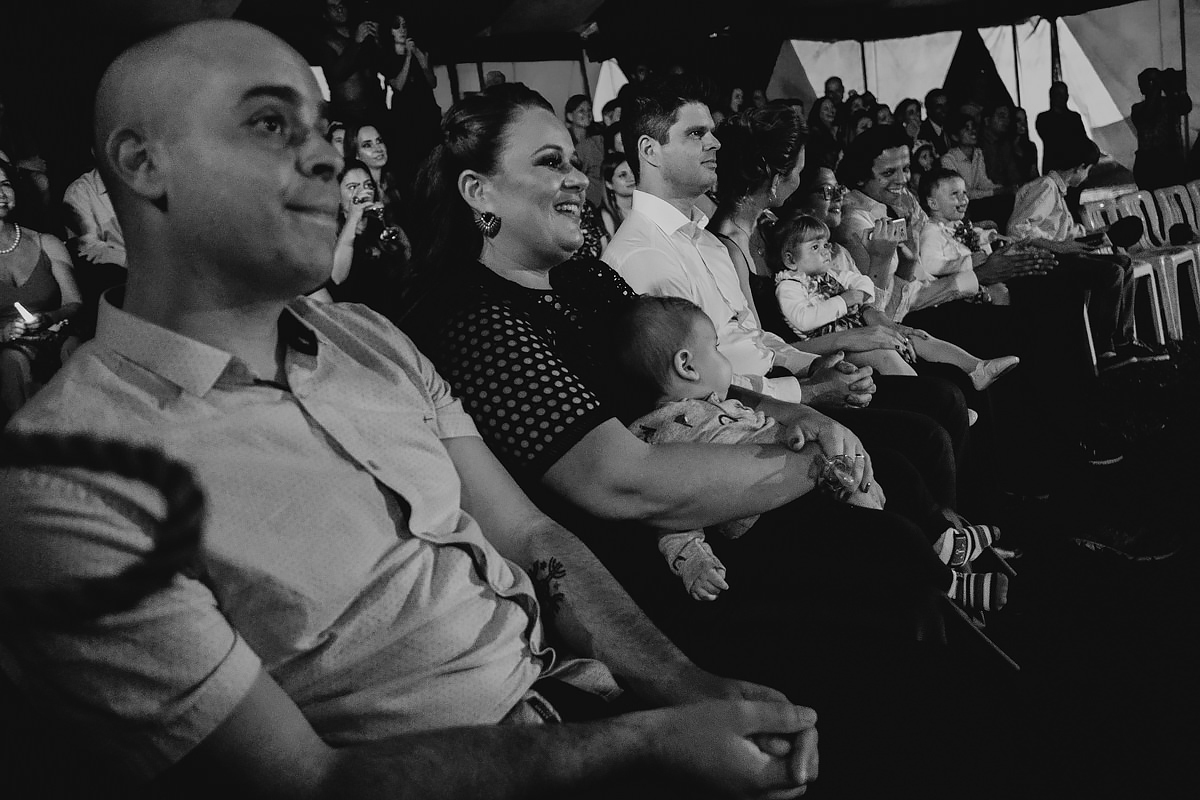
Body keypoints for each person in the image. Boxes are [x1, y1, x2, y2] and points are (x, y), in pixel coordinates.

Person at [0, 21, 824, 799]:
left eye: (322, 128)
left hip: (578, 689)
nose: (325, 156)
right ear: (142, 162)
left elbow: (530, 536)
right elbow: (307, 783)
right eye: (269, 123)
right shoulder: (70, 482)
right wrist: (649, 741)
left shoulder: (367, 338)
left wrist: (685, 686)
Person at [401, 79, 1012, 796]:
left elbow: (690, 372)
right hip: (663, 561)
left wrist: (798, 416)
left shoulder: (584, 278)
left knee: (896, 530)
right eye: (549, 162)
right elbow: (619, 483)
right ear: (479, 192)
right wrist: (812, 463)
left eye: (572, 160)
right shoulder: (476, 320)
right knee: (884, 565)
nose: (577, 178)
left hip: (714, 488)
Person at [612, 293, 1012, 611]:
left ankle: (944, 540)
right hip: (775, 515)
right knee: (888, 533)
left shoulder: (717, 401)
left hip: (807, 480)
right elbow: (672, 509)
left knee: (894, 465)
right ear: (687, 366)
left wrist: (795, 428)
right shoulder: (660, 435)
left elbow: (760, 427)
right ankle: (951, 585)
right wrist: (696, 563)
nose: (723, 357)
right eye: (716, 348)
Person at [767, 211, 1019, 389]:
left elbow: (861, 283)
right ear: (790, 259)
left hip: (857, 328)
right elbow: (803, 319)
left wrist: (860, 292)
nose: (825, 251)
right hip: (831, 346)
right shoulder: (789, 286)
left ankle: (977, 368)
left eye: (825, 245)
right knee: (883, 354)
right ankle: (932, 401)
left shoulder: (831, 274)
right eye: (815, 247)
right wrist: (845, 300)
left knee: (917, 337)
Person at [1007, 143, 1167, 369]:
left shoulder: (1056, 191)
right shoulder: (1045, 187)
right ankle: (1104, 347)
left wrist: (1101, 233)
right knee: (1112, 273)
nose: (1087, 175)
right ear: (1079, 167)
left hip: (1060, 256)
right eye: (1089, 169)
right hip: (1042, 261)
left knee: (1124, 263)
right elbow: (1017, 228)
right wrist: (1059, 247)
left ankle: (1124, 340)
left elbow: (1067, 233)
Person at [0, 159, 82, 425]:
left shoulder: (46, 242)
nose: (1, 194)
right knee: (12, 361)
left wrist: (49, 317)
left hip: (53, 334)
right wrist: (3, 332)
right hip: (7, 347)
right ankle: (23, 441)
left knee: (76, 350)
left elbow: (75, 303)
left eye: (5, 184)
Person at [325, 159, 409, 318]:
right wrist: (353, 217)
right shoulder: (330, 237)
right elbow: (336, 278)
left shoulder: (386, 229)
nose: (363, 191)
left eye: (368, 185)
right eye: (352, 187)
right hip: (359, 323)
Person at [381, 12, 442, 186]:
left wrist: (423, 63)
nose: (402, 30)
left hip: (426, 111)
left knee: (432, 157)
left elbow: (432, 83)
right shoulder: (387, 56)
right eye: (397, 26)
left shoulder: (419, 51)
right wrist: (407, 57)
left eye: (404, 25)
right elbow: (398, 85)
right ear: (390, 31)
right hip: (405, 117)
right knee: (411, 162)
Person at [315, 0, 387, 122]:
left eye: (341, 5)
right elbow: (337, 73)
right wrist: (356, 43)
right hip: (348, 115)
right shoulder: (326, 42)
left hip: (375, 110)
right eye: (333, 7)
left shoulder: (362, 34)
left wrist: (378, 41)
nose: (339, 9)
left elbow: (383, 68)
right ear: (325, 15)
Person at [939, 111, 1013, 226]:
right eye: (966, 128)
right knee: (998, 205)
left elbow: (983, 182)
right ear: (955, 136)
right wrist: (994, 192)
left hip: (977, 201)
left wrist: (1003, 189)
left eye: (973, 127)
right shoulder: (948, 159)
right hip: (961, 205)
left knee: (1008, 199)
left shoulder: (978, 153)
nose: (972, 131)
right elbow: (963, 193)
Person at [1131, 67, 1193, 191]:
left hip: (1172, 161)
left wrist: (1176, 87)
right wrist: (1159, 85)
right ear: (1142, 88)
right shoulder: (1138, 109)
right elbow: (1149, 114)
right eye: (1151, 82)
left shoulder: (1170, 103)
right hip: (1149, 163)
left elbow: (1185, 107)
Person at [1036, 82, 1088, 176]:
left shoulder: (1074, 117)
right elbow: (1053, 140)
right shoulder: (1044, 118)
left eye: (1062, 94)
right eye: (1057, 94)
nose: (1060, 97)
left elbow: (1082, 141)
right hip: (1054, 170)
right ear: (1051, 96)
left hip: (1073, 170)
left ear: (1067, 96)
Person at [565, 94, 606, 207]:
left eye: (589, 110)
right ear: (570, 116)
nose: (587, 114)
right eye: (581, 111)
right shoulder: (565, 139)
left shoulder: (598, 138)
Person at [979, 103, 1024, 192]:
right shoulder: (977, 144)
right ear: (987, 120)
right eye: (1002, 116)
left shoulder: (1005, 144)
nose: (1007, 121)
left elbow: (1013, 175)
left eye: (1008, 117)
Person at [599, 152, 634, 238]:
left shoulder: (644, 209)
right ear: (609, 184)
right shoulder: (607, 216)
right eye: (622, 175)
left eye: (632, 172)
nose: (631, 178)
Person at [919, 88, 952, 155]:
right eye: (939, 106)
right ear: (929, 110)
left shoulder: (951, 127)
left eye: (946, 105)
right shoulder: (921, 133)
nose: (944, 109)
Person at [1012, 107, 1039, 182]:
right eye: (1018, 120)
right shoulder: (1003, 148)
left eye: (1025, 120)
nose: (1023, 124)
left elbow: (1034, 175)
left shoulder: (1031, 147)